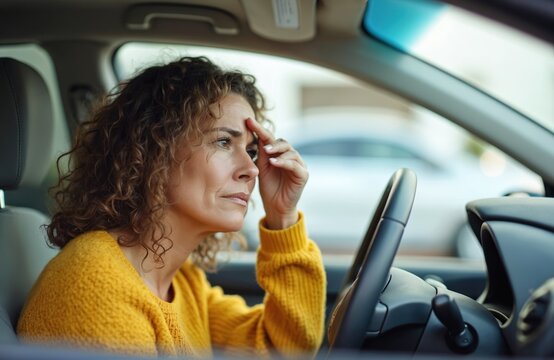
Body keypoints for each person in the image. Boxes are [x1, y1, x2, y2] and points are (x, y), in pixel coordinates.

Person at [17, 56, 326, 358]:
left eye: (250, 150)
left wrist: (282, 216)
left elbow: (281, 349)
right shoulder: (95, 285)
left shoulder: (181, 280)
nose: (253, 169)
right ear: (155, 150)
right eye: (223, 142)